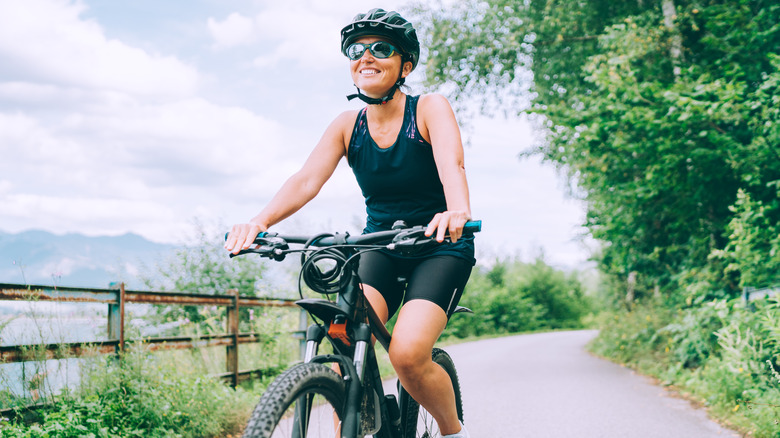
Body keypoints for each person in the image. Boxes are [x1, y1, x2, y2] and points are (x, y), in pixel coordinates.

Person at [224, 8, 474, 438]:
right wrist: (258, 222)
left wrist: (457, 210)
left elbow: (451, 163)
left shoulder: (429, 108)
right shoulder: (347, 125)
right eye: (357, 50)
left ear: (405, 65)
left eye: (382, 49)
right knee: (345, 342)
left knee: (408, 353)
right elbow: (305, 180)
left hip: (438, 245)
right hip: (379, 246)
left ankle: (454, 432)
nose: (367, 57)